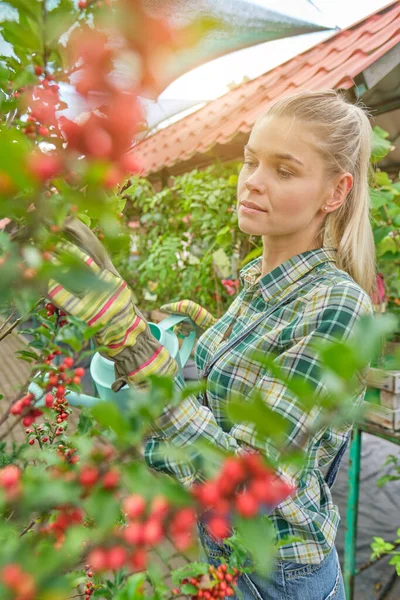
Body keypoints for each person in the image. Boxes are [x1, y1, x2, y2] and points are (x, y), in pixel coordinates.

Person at [48, 89, 375, 600]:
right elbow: (223, 410)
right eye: (251, 161)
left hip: (281, 578)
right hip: (226, 560)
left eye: (284, 171)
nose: (253, 182)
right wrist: (193, 356)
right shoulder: (258, 284)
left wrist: (138, 350)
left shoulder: (338, 309)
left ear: (335, 193)